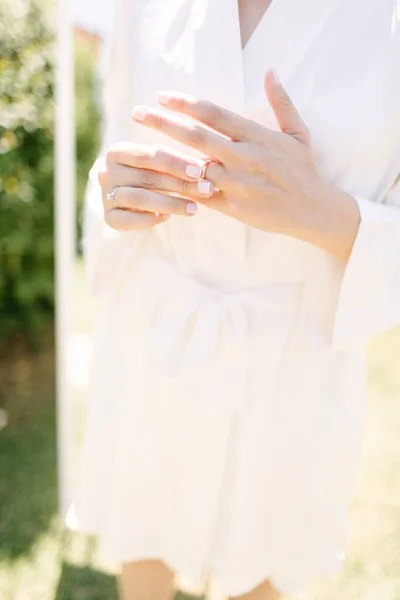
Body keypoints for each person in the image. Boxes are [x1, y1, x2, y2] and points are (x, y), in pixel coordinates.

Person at [73, 0, 400, 598]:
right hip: (157, 326)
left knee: (261, 565)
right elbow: (118, 130)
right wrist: (113, 192)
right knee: (144, 533)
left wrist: (325, 213)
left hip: (291, 364)